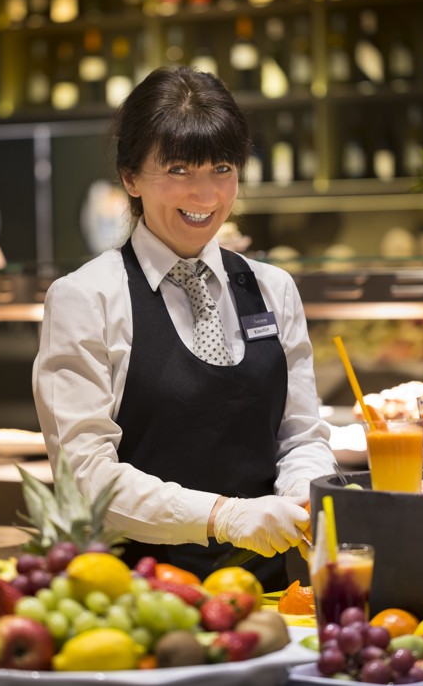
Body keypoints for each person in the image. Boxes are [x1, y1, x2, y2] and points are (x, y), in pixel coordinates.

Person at [32, 66, 338, 591]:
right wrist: (224, 516)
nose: (205, 195)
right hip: (133, 600)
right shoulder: (86, 297)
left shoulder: (274, 289)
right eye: (178, 169)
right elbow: (86, 476)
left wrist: (301, 496)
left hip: (262, 598)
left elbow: (301, 435)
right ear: (130, 177)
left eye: (222, 168)